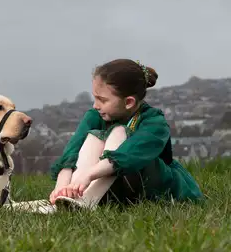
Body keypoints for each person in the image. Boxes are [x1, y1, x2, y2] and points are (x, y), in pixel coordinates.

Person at [48, 58, 204, 210]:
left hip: (152, 187)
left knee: (118, 131)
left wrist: (88, 175)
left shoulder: (154, 122)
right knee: (94, 136)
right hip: (117, 189)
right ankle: (72, 196)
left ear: (129, 102)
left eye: (102, 100)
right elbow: (73, 149)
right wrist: (61, 186)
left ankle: (86, 199)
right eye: (95, 98)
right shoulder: (95, 115)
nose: (96, 105)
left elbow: (129, 156)